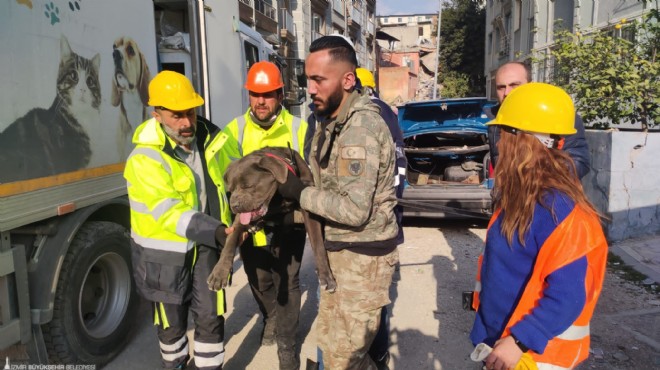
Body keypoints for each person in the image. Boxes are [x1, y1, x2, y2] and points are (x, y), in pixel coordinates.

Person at [278, 35, 399, 369]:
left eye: (319, 80)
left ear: (348, 80)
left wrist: (298, 193)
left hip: (361, 262)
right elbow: (327, 189)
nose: (310, 89)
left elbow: (353, 210)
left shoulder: (360, 127)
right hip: (339, 255)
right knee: (336, 352)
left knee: (342, 359)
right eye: (307, 80)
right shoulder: (329, 121)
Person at [469, 83, 608, 370]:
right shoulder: (520, 197)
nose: (498, 142)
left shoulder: (560, 211)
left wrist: (518, 341)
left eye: (505, 132)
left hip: (534, 357)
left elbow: (567, 296)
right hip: (502, 344)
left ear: (526, 140)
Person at [124, 70, 236, 370]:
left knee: (211, 318)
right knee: (172, 327)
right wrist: (219, 231)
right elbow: (168, 211)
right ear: (157, 114)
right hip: (166, 257)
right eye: (177, 115)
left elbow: (234, 178)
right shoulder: (144, 158)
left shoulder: (212, 139)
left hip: (207, 249)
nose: (187, 122)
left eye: (190, 112)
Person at [221, 61, 309, 370]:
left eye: (268, 94)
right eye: (255, 94)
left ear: (281, 95)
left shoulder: (299, 128)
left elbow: (310, 178)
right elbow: (228, 183)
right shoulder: (235, 130)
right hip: (251, 222)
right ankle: (271, 316)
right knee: (259, 279)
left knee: (289, 281)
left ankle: (287, 345)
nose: (261, 101)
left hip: (290, 222)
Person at [486, 61, 590, 179]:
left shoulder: (557, 115)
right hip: (510, 194)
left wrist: (537, 179)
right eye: (501, 87)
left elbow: (579, 162)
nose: (507, 93)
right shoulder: (497, 119)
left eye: (514, 85)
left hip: (549, 193)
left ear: (530, 85)